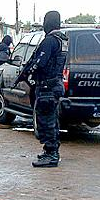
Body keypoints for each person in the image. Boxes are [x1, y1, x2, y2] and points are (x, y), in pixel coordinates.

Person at [18, 11, 68, 168]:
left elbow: (40, 62)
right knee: (51, 120)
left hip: (48, 86)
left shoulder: (50, 41)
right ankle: (50, 151)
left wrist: (28, 73)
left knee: (45, 121)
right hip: (55, 84)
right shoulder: (62, 40)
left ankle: (51, 154)